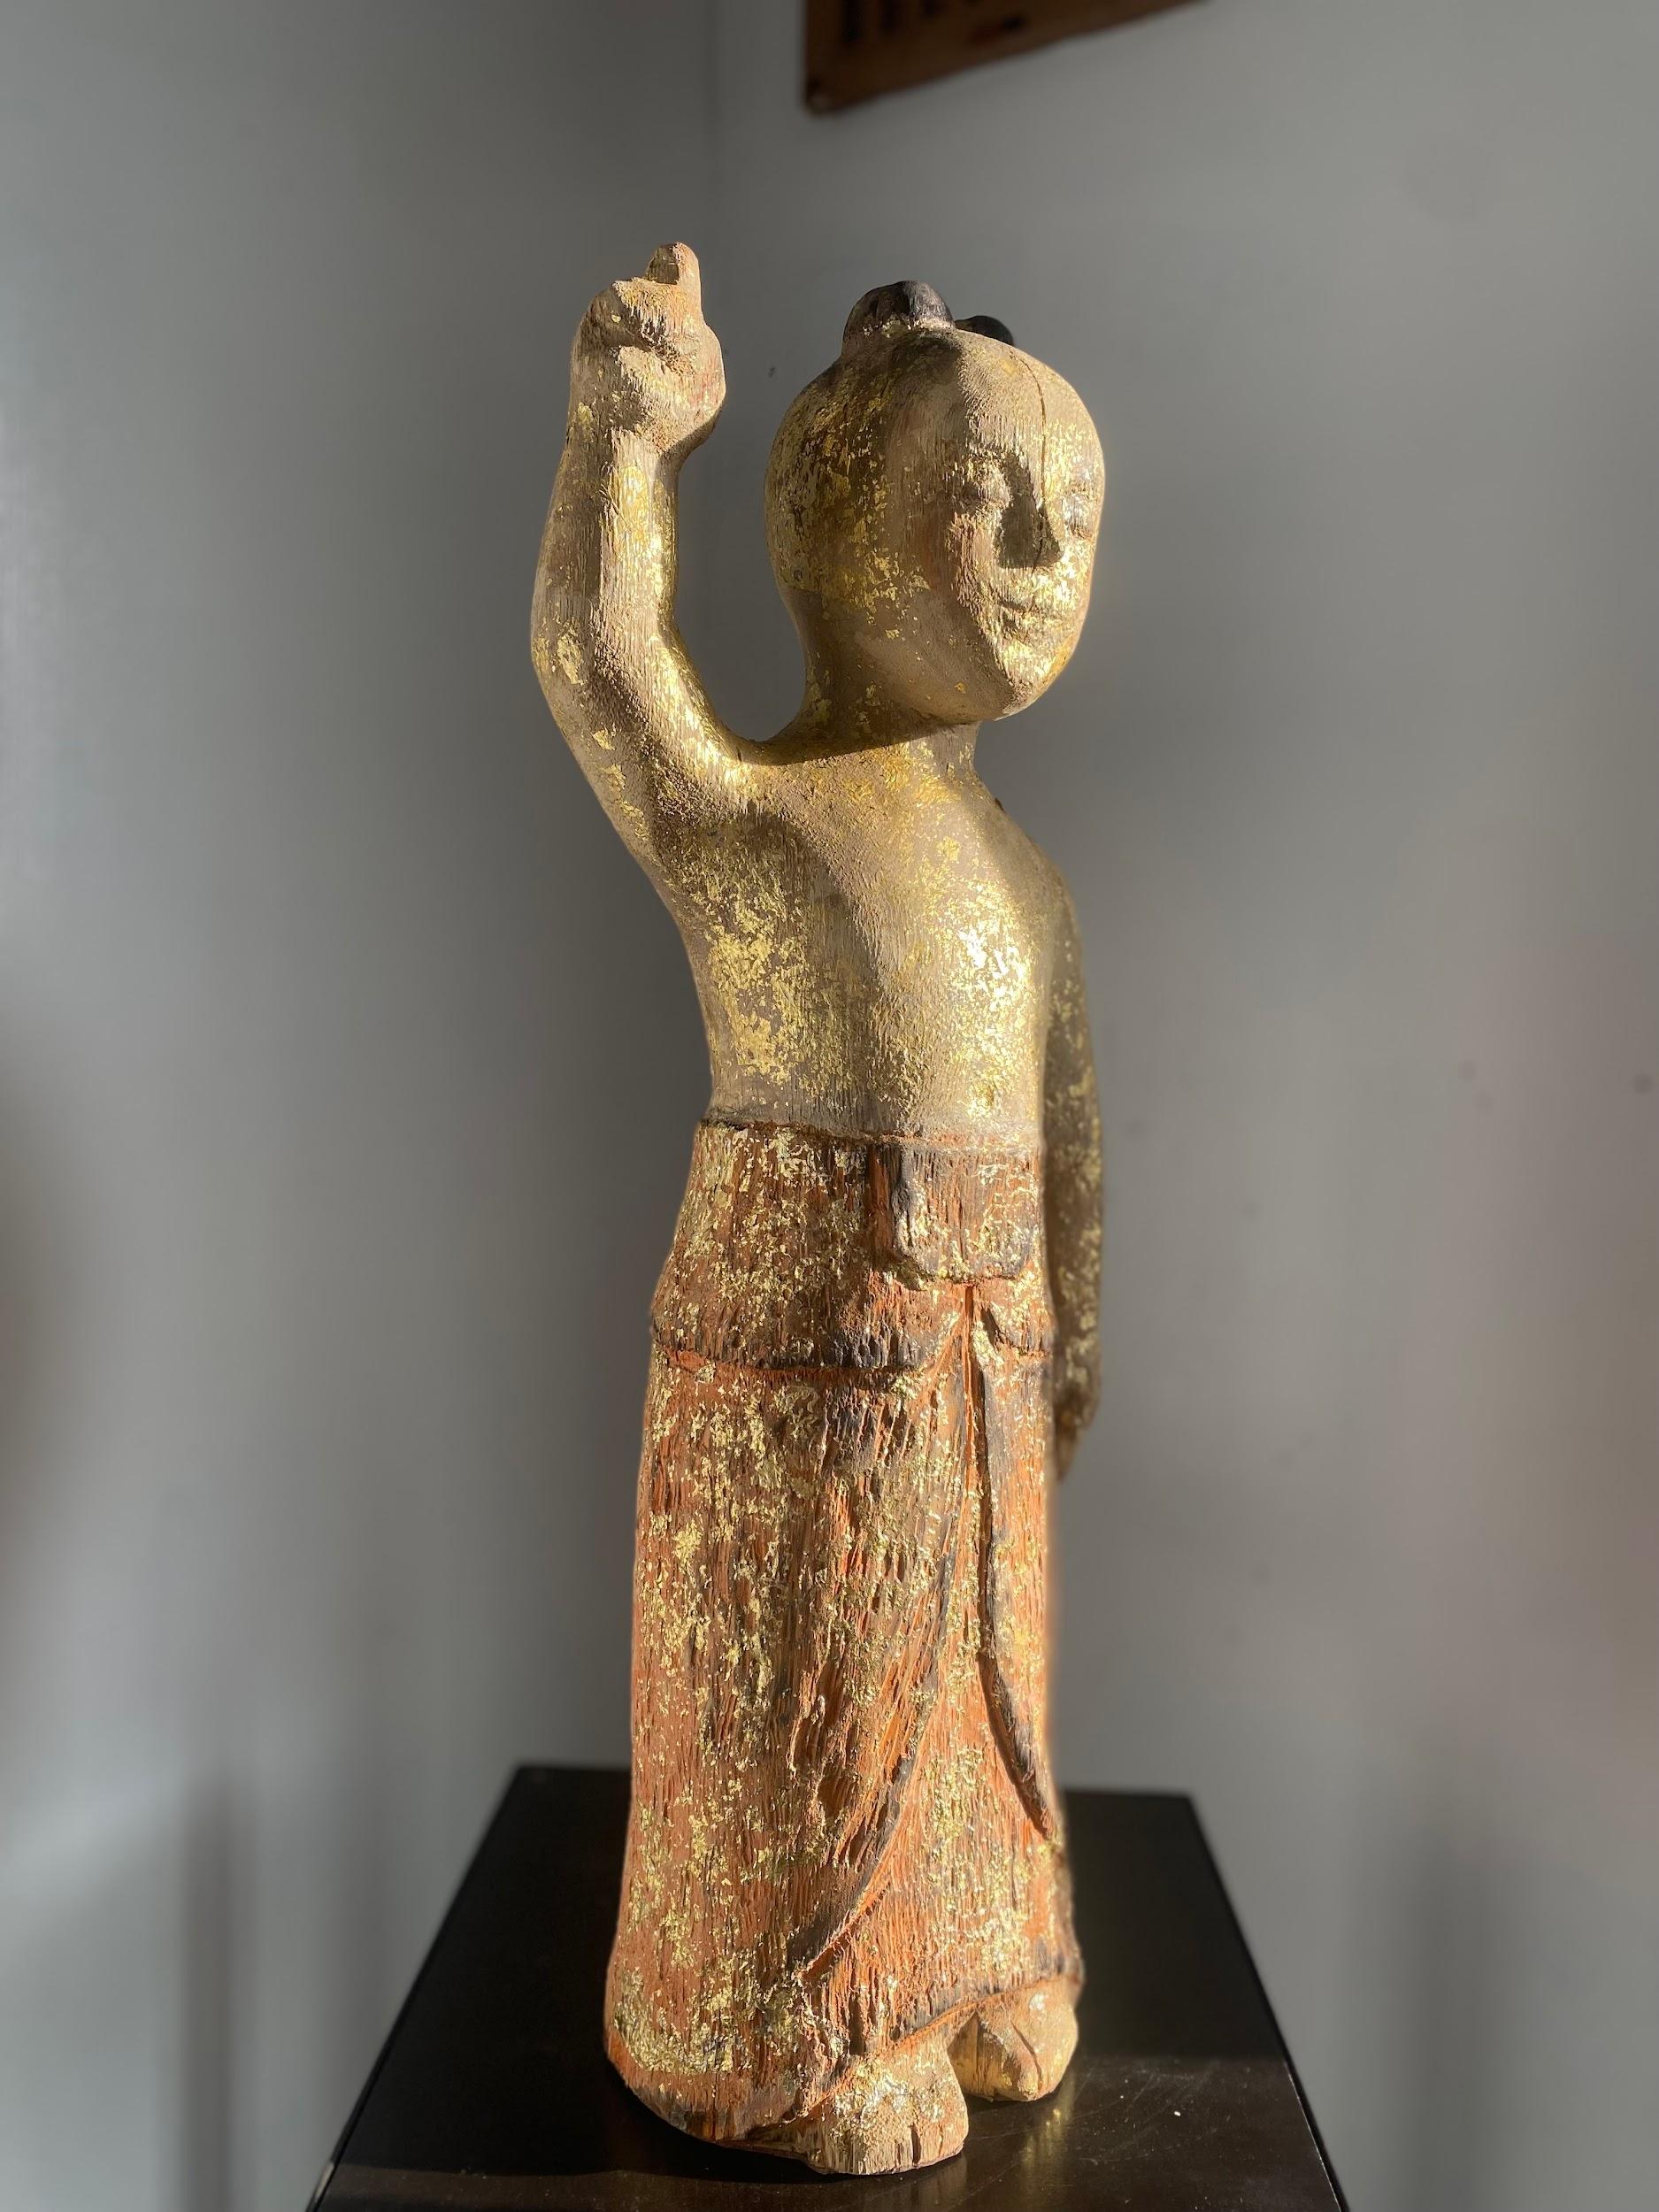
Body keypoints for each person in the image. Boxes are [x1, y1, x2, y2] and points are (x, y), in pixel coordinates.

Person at [532, 244, 1104, 2175]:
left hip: (988, 1353)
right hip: (809, 1334)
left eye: (1074, 515)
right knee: (816, 1682)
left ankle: (980, 1957)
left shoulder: (1025, 885)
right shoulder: (769, 819)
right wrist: (625, 445)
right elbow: (606, 674)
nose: (1041, 547)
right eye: (989, 496)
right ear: (842, 520)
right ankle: (779, 2026)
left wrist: (1076, 1321)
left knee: (990, 1677)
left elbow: (1066, 1133)